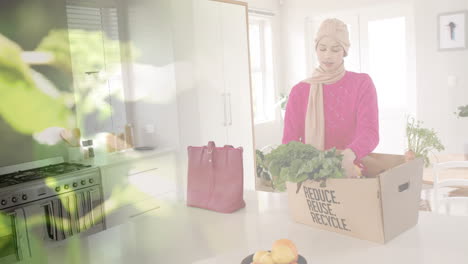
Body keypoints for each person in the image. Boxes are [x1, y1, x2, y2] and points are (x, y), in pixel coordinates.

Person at [282, 18, 379, 178]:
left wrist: (349, 155)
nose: (327, 55)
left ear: (344, 51)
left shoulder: (361, 84)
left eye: (335, 50)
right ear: (316, 49)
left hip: (350, 172)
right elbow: (289, 142)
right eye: (322, 48)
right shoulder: (299, 91)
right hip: (310, 178)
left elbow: (370, 133)